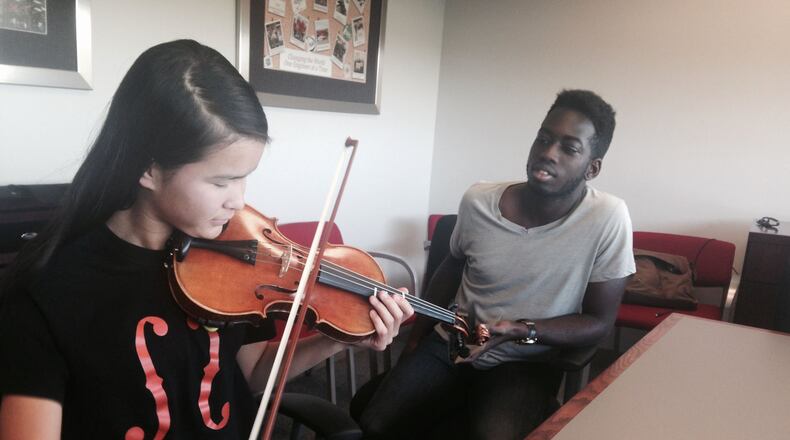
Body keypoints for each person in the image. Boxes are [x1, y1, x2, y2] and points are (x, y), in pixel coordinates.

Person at [0, 39, 413, 439]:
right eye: (221, 182)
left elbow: (251, 374)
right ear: (148, 169)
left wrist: (340, 337)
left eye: (244, 178)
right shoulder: (47, 293)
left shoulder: (231, 267)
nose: (239, 201)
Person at [359, 90, 635, 439]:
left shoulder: (608, 218)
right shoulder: (479, 200)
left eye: (569, 148)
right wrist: (417, 337)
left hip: (526, 359)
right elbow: (451, 268)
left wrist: (523, 330)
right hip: (454, 343)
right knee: (375, 422)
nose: (548, 153)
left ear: (592, 168)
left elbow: (599, 320)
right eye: (544, 139)